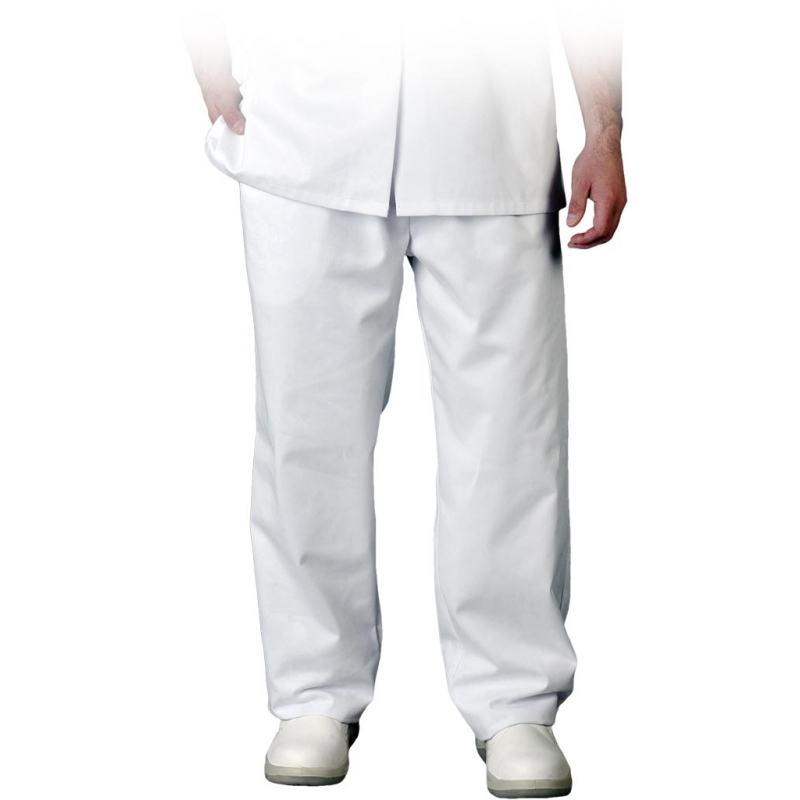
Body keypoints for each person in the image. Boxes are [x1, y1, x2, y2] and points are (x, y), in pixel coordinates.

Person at [181, 1, 626, 795]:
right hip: (303, 120)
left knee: (511, 440)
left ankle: (514, 699)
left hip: (489, 125)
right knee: (306, 430)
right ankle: (314, 691)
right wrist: (202, 43)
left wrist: (605, 125)